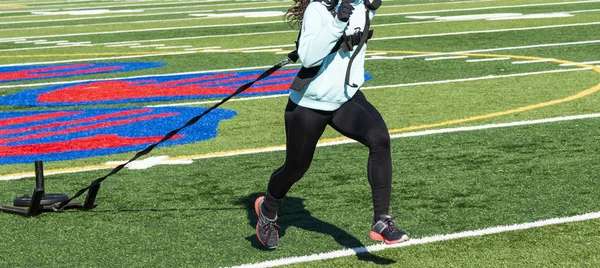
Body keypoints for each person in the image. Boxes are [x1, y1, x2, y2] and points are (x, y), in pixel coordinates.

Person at [254, 0, 408, 249]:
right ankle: (268, 208)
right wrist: (337, 24)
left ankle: (381, 221)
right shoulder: (318, 9)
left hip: (346, 98)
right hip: (309, 103)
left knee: (379, 138)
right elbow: (307, 57)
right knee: (295, 169)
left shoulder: (363, 7)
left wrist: (371, 8)